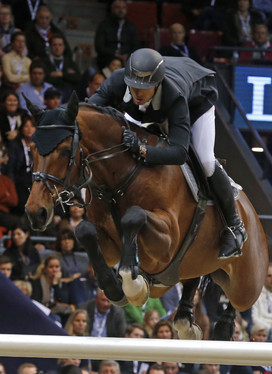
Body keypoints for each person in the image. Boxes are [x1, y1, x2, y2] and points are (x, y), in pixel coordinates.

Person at [88, 48, 247, 259]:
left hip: (197, 100)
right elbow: (88, 111)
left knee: (206, 161)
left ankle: (235, 226)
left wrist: (142, 149)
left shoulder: (174, 96)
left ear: (158, 84)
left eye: (144, 87)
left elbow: (179, 152)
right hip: (150, 108)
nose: (137, 92)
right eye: (133, 86)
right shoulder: (119, 80)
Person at [94, 0, 140, 70]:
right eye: (118, 7)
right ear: (112, 9)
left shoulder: (131, 26)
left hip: (127, 58)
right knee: (114, 63)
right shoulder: (104, 25)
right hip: (108, 58)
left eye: (123, 8)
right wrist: (115, 55)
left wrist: (127, 55)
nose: (121, 10)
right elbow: (99, 47)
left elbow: (136, 46)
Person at [42, 35, 81, 101]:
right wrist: (67, 77)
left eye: (60, 45)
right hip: (49, 91)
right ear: (50, 47)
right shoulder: (44, 62)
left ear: (64, 47)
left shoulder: (70, 62)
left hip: (68, 91)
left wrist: (62, 74)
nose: (57, 48)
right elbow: (46, 78)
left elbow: (77, 78)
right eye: (54, 45)